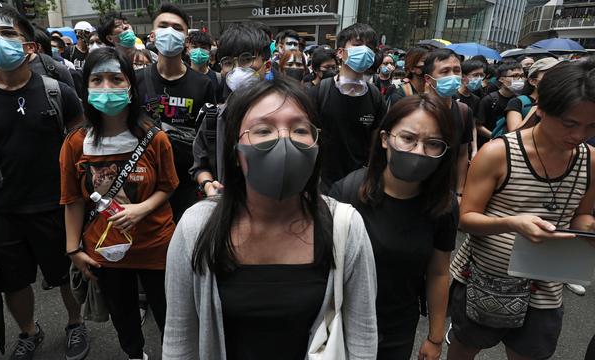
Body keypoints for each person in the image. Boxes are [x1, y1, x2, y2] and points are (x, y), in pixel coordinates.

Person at [163, 76, 377, 359]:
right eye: (263, 131)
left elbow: (362, 336)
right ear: (235, 151)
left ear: (316, 145)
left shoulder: (346, 226)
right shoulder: (195, 227)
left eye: (300, 130)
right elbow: (180, 339)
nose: (284, 141)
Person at [0, 7, 88, 360]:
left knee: (64, 273)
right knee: (12, 281)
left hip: (54, 203)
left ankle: (76, 323)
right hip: (1, 208)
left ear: (29, 46)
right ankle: (29, 331)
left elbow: (80, 145)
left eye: (8, 33)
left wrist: (81, 198)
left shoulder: (59, 91)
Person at [448, 58, 595, 360]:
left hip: (547, 284)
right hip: (486, 278)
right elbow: (466, 219)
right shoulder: (499, 153)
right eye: (569, 123)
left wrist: (586, 227)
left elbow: (582, 214)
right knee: (465, 345)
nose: (579, 135)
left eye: (592, 126)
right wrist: (513, 223)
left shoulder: (591, 160)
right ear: (540, 107)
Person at [60, 47, 179, 360]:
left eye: (116, 78)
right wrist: (74, 250)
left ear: (131, 85)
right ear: (85, 87)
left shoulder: (155, 138)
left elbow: (168, 186)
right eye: (97, 80)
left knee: (171, 316)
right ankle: (134, 355)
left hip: (157, 246)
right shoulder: (75, 142)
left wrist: (141, 208)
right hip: (105, 250)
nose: (107, 87)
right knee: (123, 316)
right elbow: (71, 199)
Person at [330, 93, 457, 360]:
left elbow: (438, 273)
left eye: (433, 143)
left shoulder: (442, 206)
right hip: (340, 323)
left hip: (397, 328)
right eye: (408, 139)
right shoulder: (347, 193)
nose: (419, 151)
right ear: (386, 139)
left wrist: (435, 338)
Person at [136, 3, 215, 221]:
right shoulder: (137, 80)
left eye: (177, 28)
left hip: (188, 181)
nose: (169, 32)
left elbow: (208, 136)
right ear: (152, 35)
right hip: (146, 180)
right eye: (163, 26)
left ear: (186, 39)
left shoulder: (203, 84)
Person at [189, 21, 272, 197]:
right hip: (227, 210)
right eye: (228, 62)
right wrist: (207, 184)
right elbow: (200, 166)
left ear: (267, 65)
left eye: (246, 59)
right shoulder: (213, 118)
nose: (237, 70)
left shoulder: (285, 117)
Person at [310, 23, 386, 192]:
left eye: (370, 47)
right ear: (340, 52)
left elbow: (377, 144)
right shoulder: (320, 92)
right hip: (323, 183)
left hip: (358, 185)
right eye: (358, 45)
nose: (365, 50)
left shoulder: (375, 97)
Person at [421, 48, 474, 199]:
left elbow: (463, 154)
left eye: (457, 70)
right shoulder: (414, 110)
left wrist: (459, 192)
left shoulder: (465, 112)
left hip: (447, 192)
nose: (452, 76)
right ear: (428, 79)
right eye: (445, 71)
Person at [504, 57, 559, 133]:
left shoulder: (561, 102)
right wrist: (536, 109)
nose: (556, 78)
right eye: (549, 74)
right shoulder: (517, 102)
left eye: (558, 74)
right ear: (533, 81)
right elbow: (514, 134)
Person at [476, 61, 524, 146]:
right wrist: (496, 137)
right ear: (501, 79)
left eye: (522, 76)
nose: (520, 79)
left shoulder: (520, 100)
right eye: (515, 76)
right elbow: (478, 126)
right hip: (489, 145)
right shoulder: (489, 100)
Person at [454, 59, 484, 157]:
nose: (479, 79)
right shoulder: (453, 96)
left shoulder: (476, 100)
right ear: (463, 77)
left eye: (481, 75)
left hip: (465, 146)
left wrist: (474, 149)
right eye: (475, 75)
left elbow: (473, 126)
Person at [186, 30, 223, 102]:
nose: (199, 50)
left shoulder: (219, 79)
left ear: (209, 51)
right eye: (194, 47)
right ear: (188, 50)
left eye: (203, 47)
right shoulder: (182, 77)